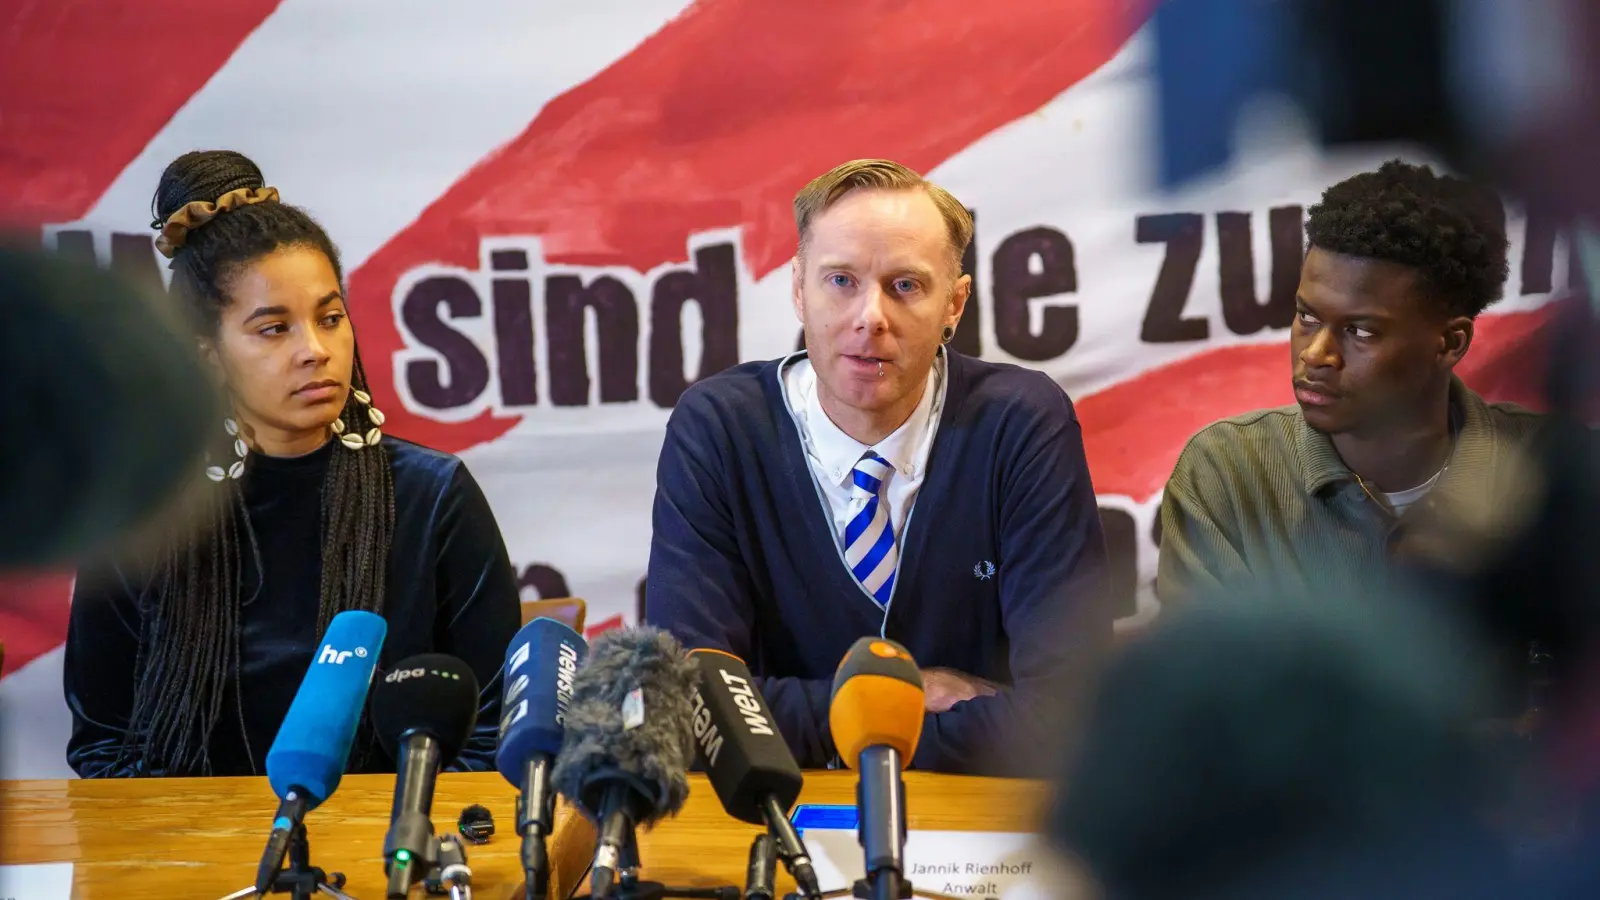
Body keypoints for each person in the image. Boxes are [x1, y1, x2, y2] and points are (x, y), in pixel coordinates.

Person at [64, 150, 521, 778]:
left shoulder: (432, 495)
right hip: (191, 857)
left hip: (391, 854)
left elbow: (491, 735)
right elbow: (103, 746)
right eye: (274, 329)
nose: (315, 350)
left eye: (330, 318)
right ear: (208, 354)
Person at [645, 159, 1111, 775]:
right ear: (796, 289)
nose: (871, 317)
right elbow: (686, 707)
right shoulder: (719, 429)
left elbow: (1073, 714)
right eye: (840, 280)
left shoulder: (1021, 424)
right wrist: (901, 705)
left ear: (955, 303)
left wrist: (794, 716)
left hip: (981, 832)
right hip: (778, 820)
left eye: (905, 286)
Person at [1157, 159, 1544, 605]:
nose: (1316, 354)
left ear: (1449, 343)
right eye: (1307, 316)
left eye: (1360, 331)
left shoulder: (1554, 475)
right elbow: (1207, 673)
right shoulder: (1228, 475)